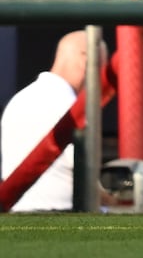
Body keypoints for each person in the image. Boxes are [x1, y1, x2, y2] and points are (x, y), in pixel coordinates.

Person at [0, 32, 99, 212]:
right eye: (101, 68)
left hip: (16, 216)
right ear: (87, 62)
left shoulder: (18, 100)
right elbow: (85, 171)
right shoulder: (69, 108)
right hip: (63, 220)